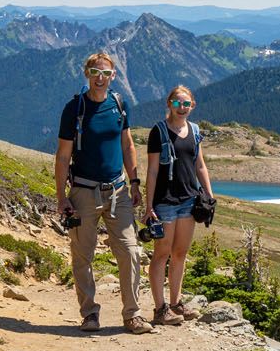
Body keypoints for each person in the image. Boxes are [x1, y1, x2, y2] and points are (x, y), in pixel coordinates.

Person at [54, 52, 153, 334]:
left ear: (114, 76)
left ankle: (132, 315)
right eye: (96, 72)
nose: (101, 78)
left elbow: (128, 145)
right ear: (86, 73)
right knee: (82, 256)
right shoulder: (74, 109)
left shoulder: (119, 105)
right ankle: (89, 314)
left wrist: (134, 182)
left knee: (130, 251)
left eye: (106, 73)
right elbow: (63, 157)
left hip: (118, 191)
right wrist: (61, 197)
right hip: (84, 192)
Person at [143, 85, 214, 326]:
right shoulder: (158, 132)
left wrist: (208, 195)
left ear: (192, 106)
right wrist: (148, 204)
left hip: (188, 201)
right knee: (161, 254)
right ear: (169, 104)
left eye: (186, 104)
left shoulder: (194, 131)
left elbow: (200, 165)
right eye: (177, 103)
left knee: (180, 253)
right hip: (165, 202)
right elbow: (152, 171)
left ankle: (175, 303)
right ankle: (160, 308)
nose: (181, 108)